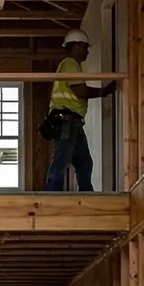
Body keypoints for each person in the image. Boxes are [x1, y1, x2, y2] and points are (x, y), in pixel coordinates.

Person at [46, 28, 118, 192]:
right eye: (85, 47)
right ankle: (49, 198)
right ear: (76, 46)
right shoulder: (70, 63)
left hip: (73, 123)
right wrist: (104, 91)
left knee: (84, 162)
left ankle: (86, 194)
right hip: (67, 122)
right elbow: (80, 91)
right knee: (61, 162)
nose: (87, 51)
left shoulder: (70, 65)